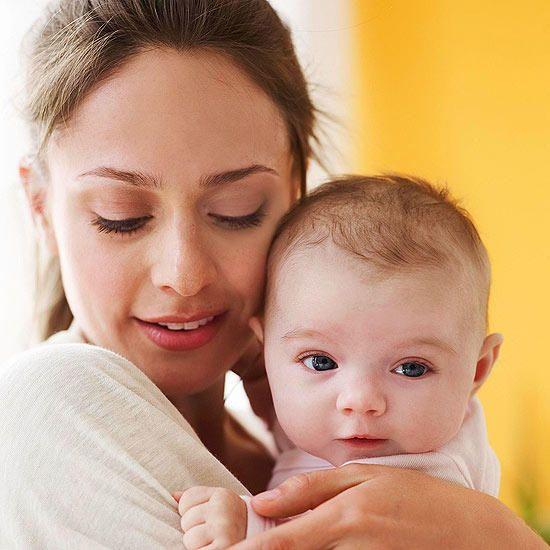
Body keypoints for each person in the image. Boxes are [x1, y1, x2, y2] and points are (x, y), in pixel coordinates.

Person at [0, 1, 544, 548]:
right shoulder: (47, 406)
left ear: (296, 193)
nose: (184, 275)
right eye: (121, 217)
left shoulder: (298, 451)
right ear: (41, 206)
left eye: (237, 210)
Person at [175, 174, 503, 547]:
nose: (359, 400)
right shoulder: (357, 431)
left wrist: (248, 521)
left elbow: (340, 533)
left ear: (477, 370)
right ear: (265, 354)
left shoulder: (429, 476)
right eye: (320, 362)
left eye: (411, 368)